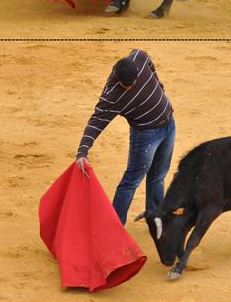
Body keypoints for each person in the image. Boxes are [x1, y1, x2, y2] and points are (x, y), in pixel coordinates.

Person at [75, 49, 176, 225]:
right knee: (131, 181)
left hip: (169, 123)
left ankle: (155, 216)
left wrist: (158, 83)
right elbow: (96, 121)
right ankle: (114, 226)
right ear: (117, 77)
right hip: (146, 136)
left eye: (133, 82)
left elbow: (145, 57)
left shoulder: (139, 58)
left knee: (158, 176)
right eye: (126, 85)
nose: (130, 87)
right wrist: (82, 152)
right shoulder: (112, 96)